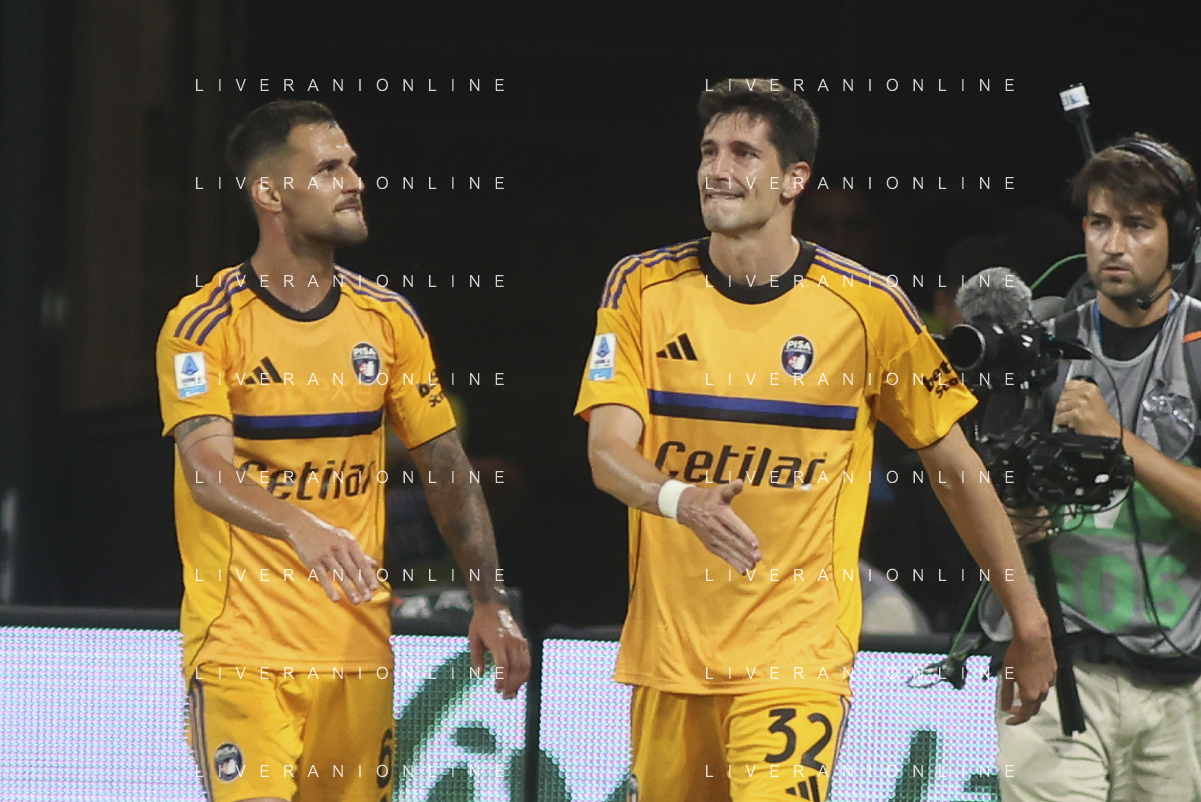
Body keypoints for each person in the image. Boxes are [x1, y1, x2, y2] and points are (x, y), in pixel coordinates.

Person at [574, 79, 1055, 802]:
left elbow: (956, 467)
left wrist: (1028, 619)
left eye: (743, 153)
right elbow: (608, 453)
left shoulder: (868, 308)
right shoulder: (640, 288)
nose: (717, 169)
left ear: (794, 178)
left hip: (795, 659)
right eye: (708, 151)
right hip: (668, 660)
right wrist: (680, 500)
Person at [155, 99, 529, 802]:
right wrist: (300, 524)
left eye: (352, 165)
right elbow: (207, 472)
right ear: (270, 193)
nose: (355, 181)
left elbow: (446, 468)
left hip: (357, 654)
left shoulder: (387, 320)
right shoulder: (203, 325)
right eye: (329, 168)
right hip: (243, 651)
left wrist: (488, 597)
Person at [982, 134, 1201, 802]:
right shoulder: (1038, 350)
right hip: (1055, 665)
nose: (1113, 244)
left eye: (1137, 225)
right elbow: (984, 507)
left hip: (1179, 687)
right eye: (1099, 223)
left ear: (1177, 237)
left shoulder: (1197, 348)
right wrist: (1013, 517)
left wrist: (1117, 441)